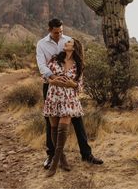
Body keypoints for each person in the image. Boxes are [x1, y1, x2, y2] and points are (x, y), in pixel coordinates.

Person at [36, 18, 103, 169]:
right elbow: (41, 64)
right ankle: (52, 156)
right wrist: (53, 78)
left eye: (61, 31)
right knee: (50, 122)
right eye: (56, 32)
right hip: (51, 85)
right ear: (49, 30)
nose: (59, 35)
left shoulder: (69, 40)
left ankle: (87, 154)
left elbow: (77, 64)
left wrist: (73, 85)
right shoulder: (42, 44)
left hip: (70, 91)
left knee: (78, 121)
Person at [44, 38, 84, 176]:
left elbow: (80, 85)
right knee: (54, 128)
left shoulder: (78, 65)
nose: (65, 43)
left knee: (62, 128)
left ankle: (54, 163)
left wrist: (73, 85)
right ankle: (62, 157)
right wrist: (52, 80)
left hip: (69, 99)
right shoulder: (55, 59)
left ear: (73, 48)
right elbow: (45, 77)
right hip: (54, 95)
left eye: (69, 43)